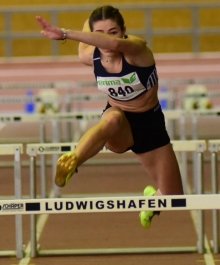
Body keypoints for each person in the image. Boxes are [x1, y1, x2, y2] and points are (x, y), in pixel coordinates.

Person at [36, 5, 183, 229]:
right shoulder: (90, 55)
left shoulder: (137, 49)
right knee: (112, 118)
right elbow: (93, 34)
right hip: (118, 122)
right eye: (98, 35)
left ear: (124, 31)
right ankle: (72, 161)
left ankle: (151, 201)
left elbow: (113, 44)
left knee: (175, 198)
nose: (106, 40)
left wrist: (64, 33)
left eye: (113, 31)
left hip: (150, 124)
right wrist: (90, 24)